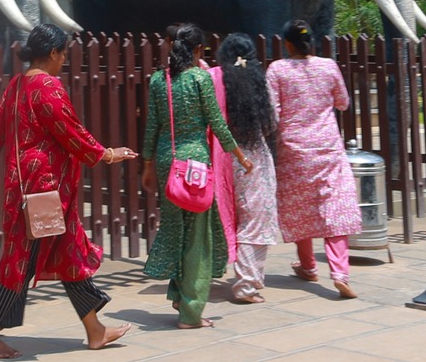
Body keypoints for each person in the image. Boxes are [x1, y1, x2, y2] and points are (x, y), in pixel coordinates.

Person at [0, 23, 138, 360]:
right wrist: (107, 154)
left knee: (68, 254)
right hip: (42, 191)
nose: (64, 60)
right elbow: (70, 132)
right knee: (21, 261)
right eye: (63, 53)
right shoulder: (48, 88)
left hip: (25, 188)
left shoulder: (17, 85)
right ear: (52, 53)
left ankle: (95, 330)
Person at [142, 23, 251, 329]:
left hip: (167, 162)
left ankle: (179, 295)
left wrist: (147, 165)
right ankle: (191, 312)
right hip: (195, 164)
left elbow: (152, 127)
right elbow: (216, 123)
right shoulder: (200, 78)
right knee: (198, 237)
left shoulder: (157, 81)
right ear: (199, 50)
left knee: (176, 228)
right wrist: (240, 156)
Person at [267, 20, 361, 299]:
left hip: (294, 150)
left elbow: (273, 112)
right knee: (335, 208)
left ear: (287, 43)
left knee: (300, 208)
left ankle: (308, 266)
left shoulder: (277, 70)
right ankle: (340, 272)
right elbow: (342, 102)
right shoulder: (328, 66)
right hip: (328, 148)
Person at [215, 33, 281, 304]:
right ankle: (246, 284)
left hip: (224, 157)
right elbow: (272, 122)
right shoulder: (258, 81)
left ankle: (242, 277)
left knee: (233, 218)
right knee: (255, 220)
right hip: (253, 159)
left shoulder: (216, 80)